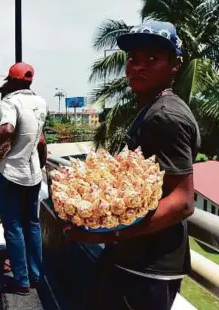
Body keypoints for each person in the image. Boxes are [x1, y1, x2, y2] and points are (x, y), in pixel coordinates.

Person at [66, 21, 200, 310]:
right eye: (134, 59)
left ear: (175, 65)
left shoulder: (165, 117)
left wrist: (106, 233)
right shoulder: (152, 108)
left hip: (146, 268)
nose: (138, 66)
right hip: (134, 260)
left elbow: (181, 201)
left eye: (152, 59)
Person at [0, 62, 48, 295]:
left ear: (12, 82)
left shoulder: (10, 101)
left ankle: (22, 281)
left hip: (11, 173)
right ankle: (37, 276)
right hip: (33, 174)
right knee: (33, 224)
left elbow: (6, 130)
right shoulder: (41, 103)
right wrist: (41, 165)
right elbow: (42, 142)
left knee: (14, 227)